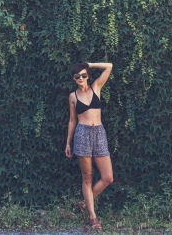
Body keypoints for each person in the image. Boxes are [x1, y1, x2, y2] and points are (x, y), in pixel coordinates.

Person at [65, 61, 114, 230]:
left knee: (108, 177)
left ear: (88, 76)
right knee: (87, 177)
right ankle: (93, 217)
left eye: (84, 75)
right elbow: (72, 121)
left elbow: (109, 66)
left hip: (99, 133)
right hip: (82, 134)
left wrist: (90, 64)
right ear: (74, 78)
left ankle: (84, 203)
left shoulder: (96, 88)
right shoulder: (73, 96)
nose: (81, 78)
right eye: (77, 76)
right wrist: (68, 143)